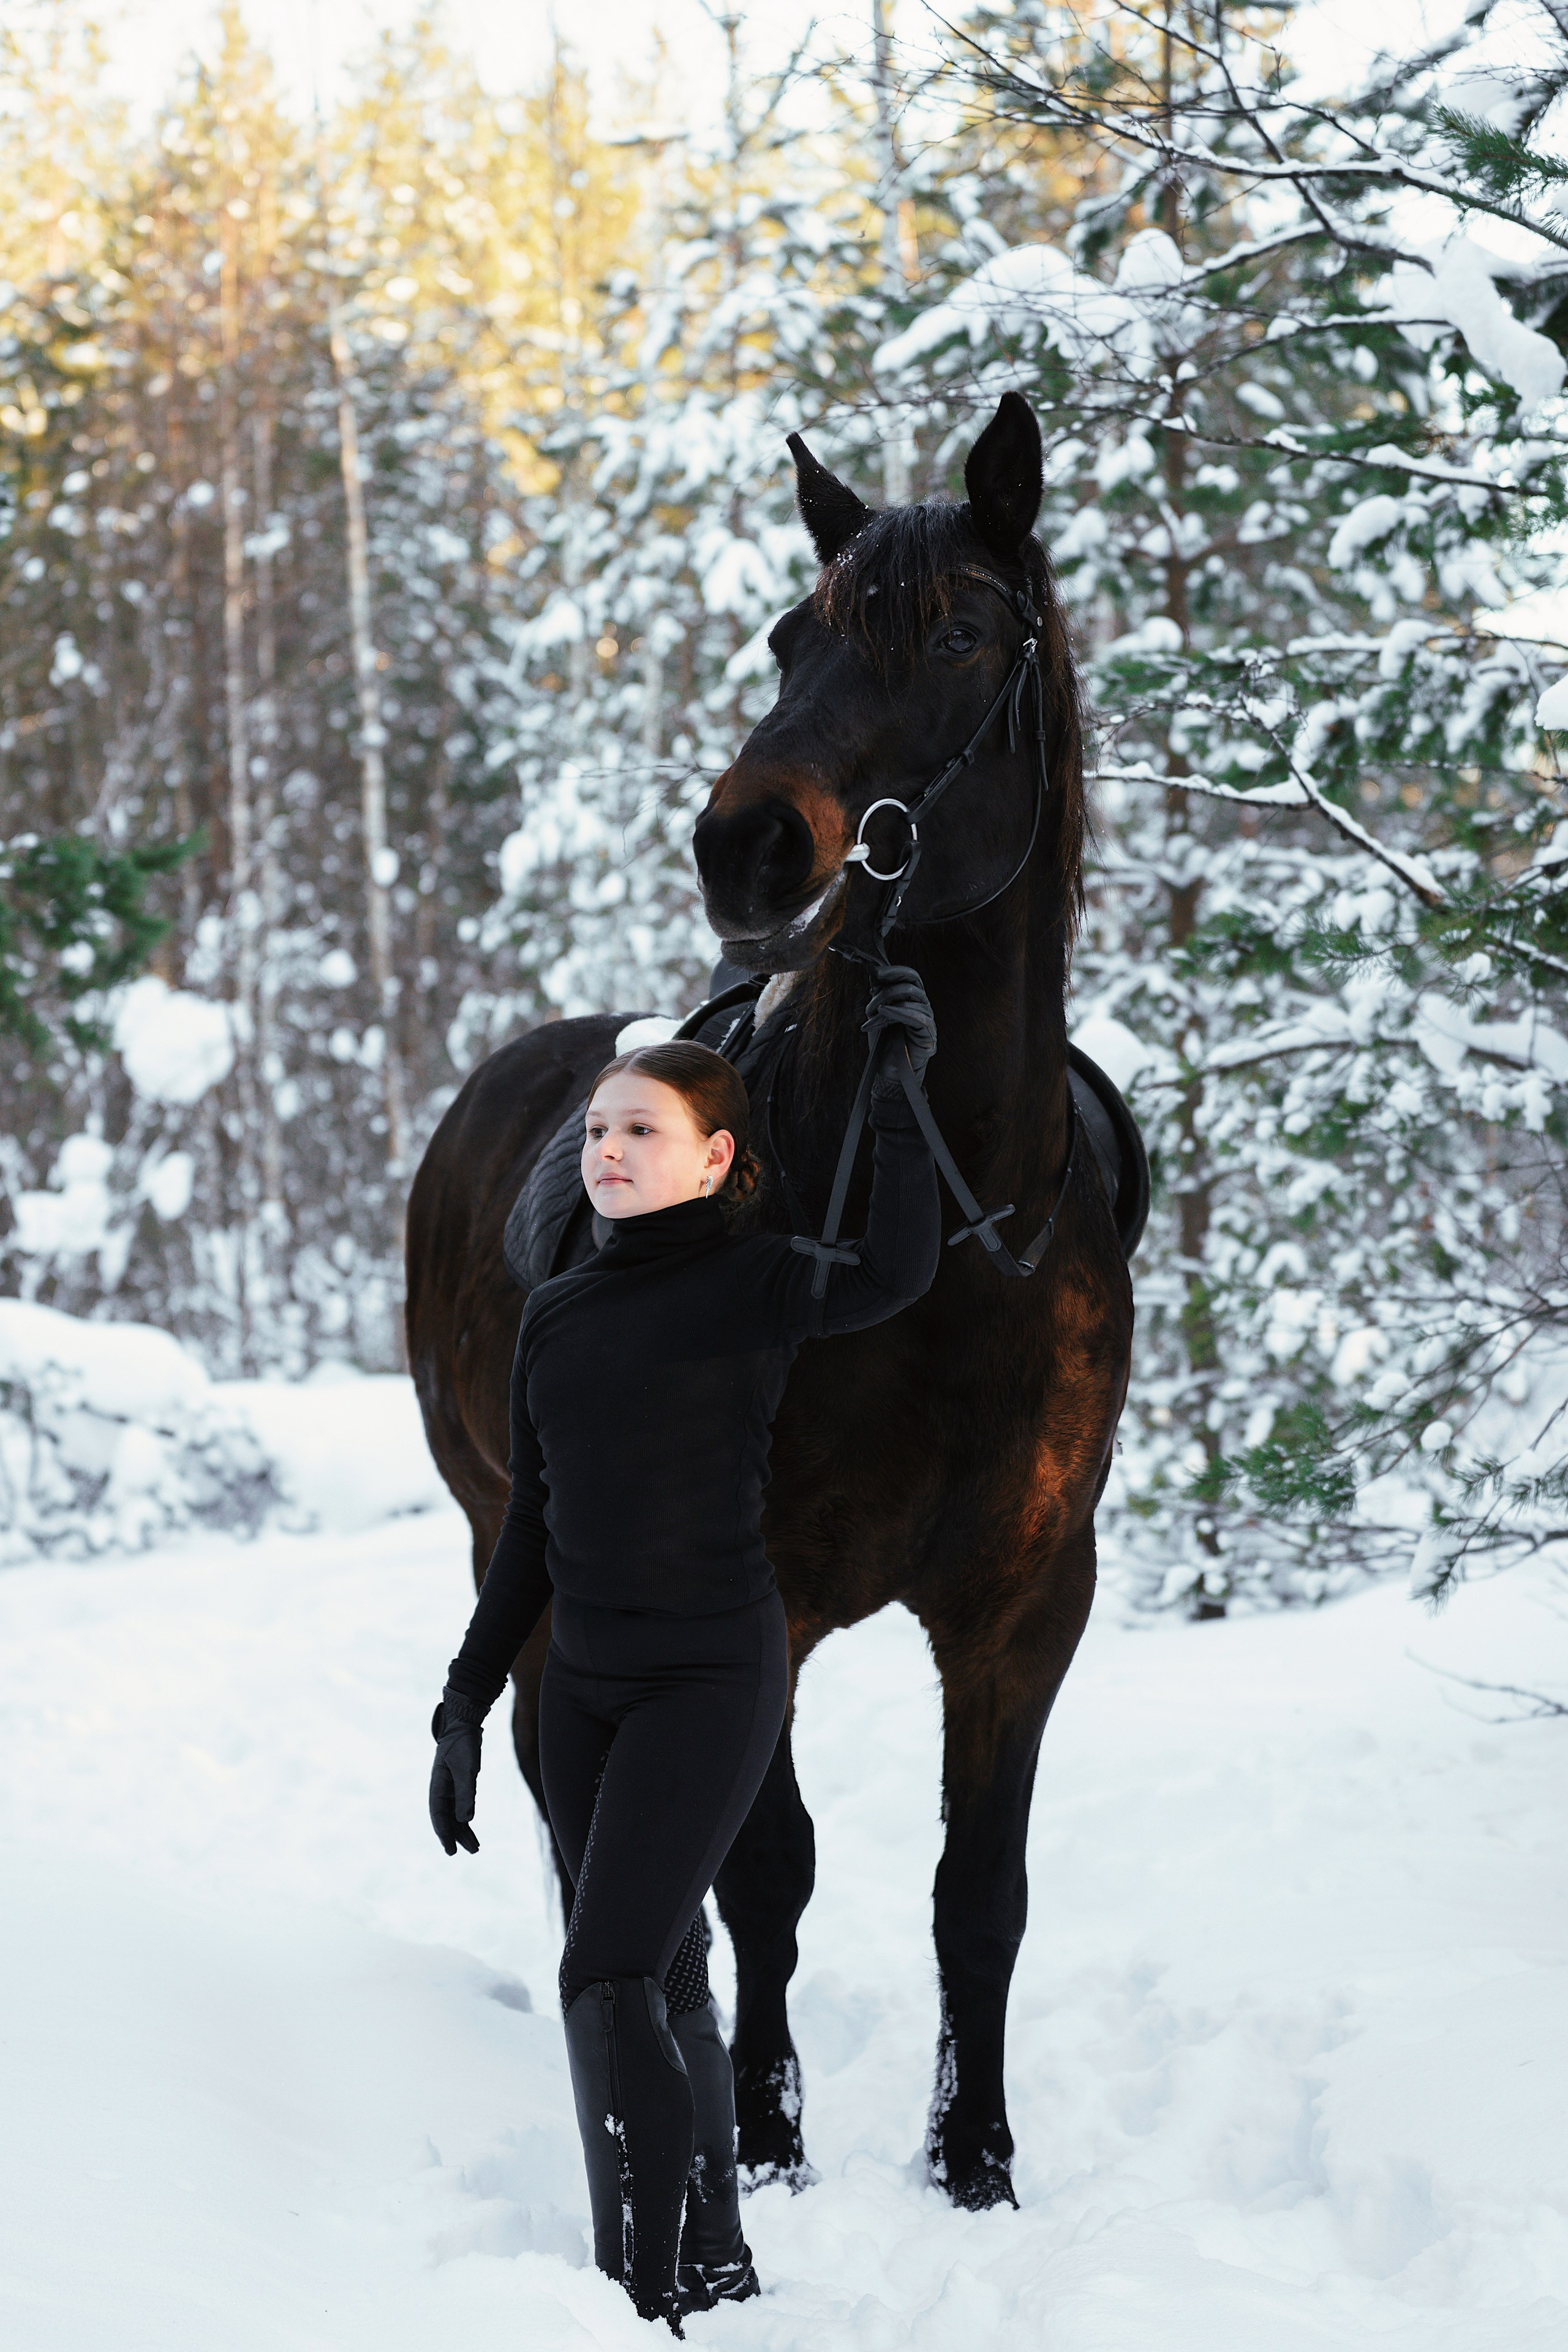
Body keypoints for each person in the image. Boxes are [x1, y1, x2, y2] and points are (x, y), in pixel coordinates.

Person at [428, 969, 940, 2332]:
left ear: (715, 1160)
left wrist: (893, 1096)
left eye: (640, 1131)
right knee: (663, 1974)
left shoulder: (752, 1282)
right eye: (597, 1130)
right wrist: (467, 1701)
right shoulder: (557, 1313)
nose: (606, 1149)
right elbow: (533, 1526)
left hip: (707, 1681)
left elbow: (896, 1269)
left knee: (599, 1975)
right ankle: (712, 2273)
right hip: (581, 1693)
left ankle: (638, 2298)